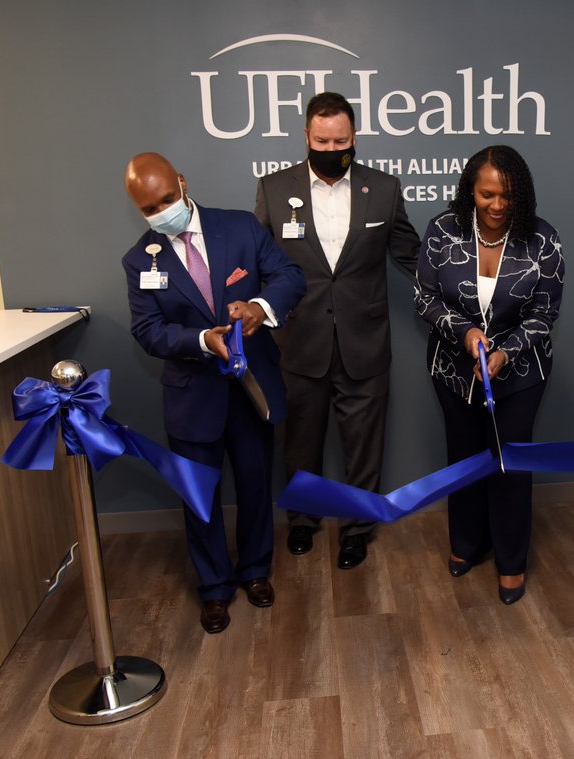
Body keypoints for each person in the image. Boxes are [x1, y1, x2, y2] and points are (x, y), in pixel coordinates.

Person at [122, 152, 305, 633]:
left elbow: (290, 277)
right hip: (192, 396)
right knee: (200, 498)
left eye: (167, 199)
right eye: (149, 208)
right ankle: (214, 588)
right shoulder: (141, 260)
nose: (163, 211)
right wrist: (202, 340)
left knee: (255, 484)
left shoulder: (240, 227)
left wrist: (260, 308)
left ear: (182, 183)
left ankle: (255, 571)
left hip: (250, 389)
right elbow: (148, 331)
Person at [255, 92, 420, 569]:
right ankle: (303, 521)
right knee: (300, 442)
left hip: (364, 342)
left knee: (364, 446)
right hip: (299, 340)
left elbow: (410, 255)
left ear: (354, 138)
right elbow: (259, 259)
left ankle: (357, 528)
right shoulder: (272, 187)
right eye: (322, 139)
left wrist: (459, 282)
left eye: (341, 140)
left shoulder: (384, 189)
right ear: (306, 136)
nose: (332, 147)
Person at [415, 145, 564, 605]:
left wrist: (504, 351)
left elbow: (545, 312)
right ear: (470, 192)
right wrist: (464, 333)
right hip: (453, 369)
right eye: (487, 195)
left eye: (507, 196)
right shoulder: (443, 230)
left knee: (510, 465)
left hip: (519, 374)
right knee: (463, 458)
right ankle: (467, 543)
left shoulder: (543, 239)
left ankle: (511, 561)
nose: (497, 205)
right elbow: (424, 297)